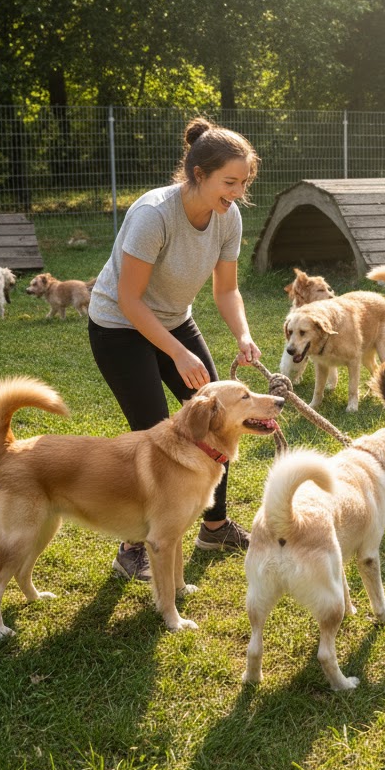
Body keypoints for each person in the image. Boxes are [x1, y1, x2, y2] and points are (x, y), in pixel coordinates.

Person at [88, 117, 263, 581]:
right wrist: (178, 354)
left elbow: (226, 291)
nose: (238, 192)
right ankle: (132, 547)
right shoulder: (153, 214)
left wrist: (243, 334)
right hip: (119, 326)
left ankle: (214, 526)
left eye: (244, 182)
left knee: (216, 420)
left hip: (173, 320)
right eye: (230, 182)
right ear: (198, 174)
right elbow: (129, 300)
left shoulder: (229, 216)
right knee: (157, 436)